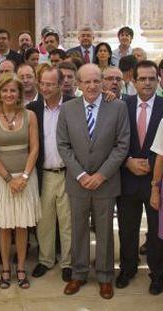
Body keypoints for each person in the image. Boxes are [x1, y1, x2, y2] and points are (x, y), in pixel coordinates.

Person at [57, 64, 130, 300]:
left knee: (105, 231)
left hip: (106, 183)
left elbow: (122, 145)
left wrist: (101, 175)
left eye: (96, 81)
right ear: (78, 84)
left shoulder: (117, 107)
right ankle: (78, 273)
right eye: (86, 82)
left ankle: (105, 276)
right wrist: (80, 175)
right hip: (77, 182)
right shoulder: (67, 109)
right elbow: (63, 145)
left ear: (103, 82)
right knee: (78, 229)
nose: (91, 86)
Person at [0, 73, 40, 289]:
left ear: (19, 93)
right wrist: (9, 179)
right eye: (5, 90)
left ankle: (21, 268)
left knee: (22, 225)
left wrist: (24, 177)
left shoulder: (30, 116)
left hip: (26, 177)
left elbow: (34, 148)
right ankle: (6, 268)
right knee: (5, 226)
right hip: (1, 179)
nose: (9, 94)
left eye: (13, 90)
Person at [116, 60, 163, 295]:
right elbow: (113, 141)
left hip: (157, 181)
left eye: (151, 78)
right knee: (127, 227)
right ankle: (127, 268)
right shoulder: (122, 106)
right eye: (142, 79)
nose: (147, 83)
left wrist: (153, 166)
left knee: (156, 231)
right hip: (128, 177)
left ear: (158, 80)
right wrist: (128, 162)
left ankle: (157, 273)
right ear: (133, 82)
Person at [27, 66, 73, 282]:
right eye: (42, 84)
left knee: (67, 221)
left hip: (69, 173)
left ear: (61, 84)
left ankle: (68, 262)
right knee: (44, 221)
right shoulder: (33, 109)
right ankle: (45, 260)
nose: (45, 88)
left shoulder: (74, 106)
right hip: (43, 174)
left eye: (50, 84)